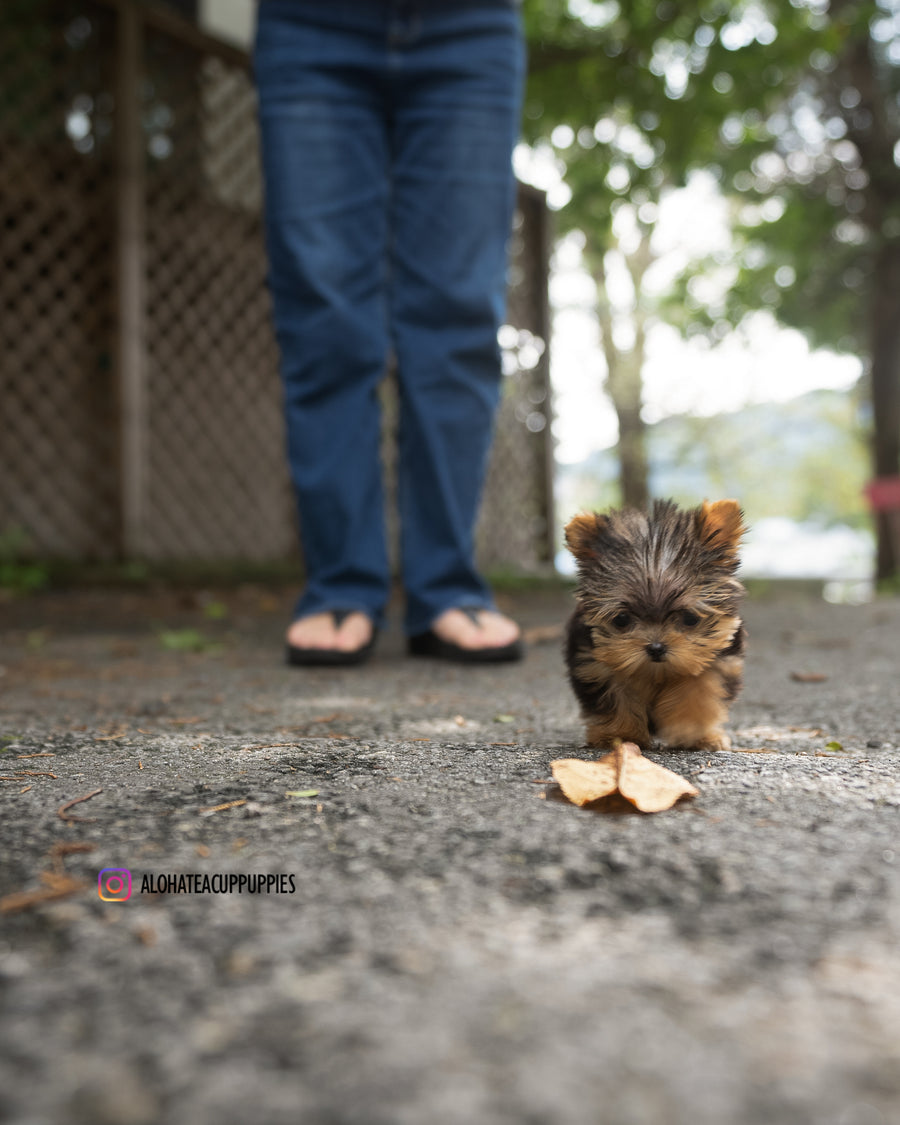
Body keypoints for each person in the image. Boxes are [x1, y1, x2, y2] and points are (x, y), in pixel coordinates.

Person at [254, 0, 526, 665]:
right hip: (306, 25)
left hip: (472, 26)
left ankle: (447, 588)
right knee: (324, 317)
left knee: (460, 311)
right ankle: (340, 582)